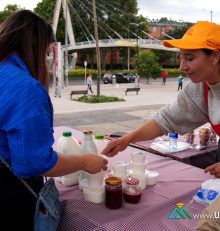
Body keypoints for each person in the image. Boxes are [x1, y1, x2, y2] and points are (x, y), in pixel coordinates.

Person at [0, 10, 108, 229]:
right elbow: (35, 162)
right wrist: (86, 161)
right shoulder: (26, 88)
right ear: (36, 47)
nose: (47, 60)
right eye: (48, 53)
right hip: (10, 198)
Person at [102, 21, 220, 178]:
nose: (182, 67)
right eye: (181, 58)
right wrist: (128, 139)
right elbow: (165, 120)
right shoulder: (200, 87)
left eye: (190, 58)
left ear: (215, 56)